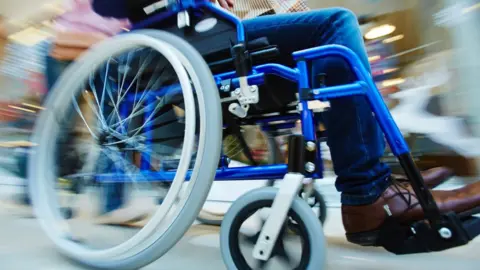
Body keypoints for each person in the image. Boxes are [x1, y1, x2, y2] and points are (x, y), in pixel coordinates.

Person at [91, 0, 480, 243]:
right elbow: (104, 5)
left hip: (223, 29)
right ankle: (368, 191)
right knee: (337, 26)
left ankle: (376, 185)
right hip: (195, 36)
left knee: (338, 50)